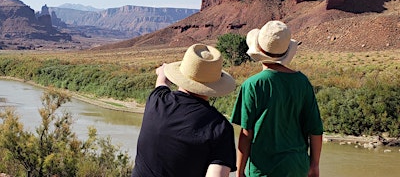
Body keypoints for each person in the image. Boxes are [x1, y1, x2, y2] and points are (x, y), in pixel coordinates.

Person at [230, 20, 324, 177]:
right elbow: (315, 130)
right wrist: (314, 165)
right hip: (297, 166)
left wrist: (239, 171)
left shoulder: (252, 85)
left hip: (263, 169)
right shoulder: (302, 82)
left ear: (258, 49)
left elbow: (246, 133)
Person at [132, 43, 237, 177]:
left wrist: (163, 71)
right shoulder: (220, 128)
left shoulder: (157, 100)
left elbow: (161, 82)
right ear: (215, 85)